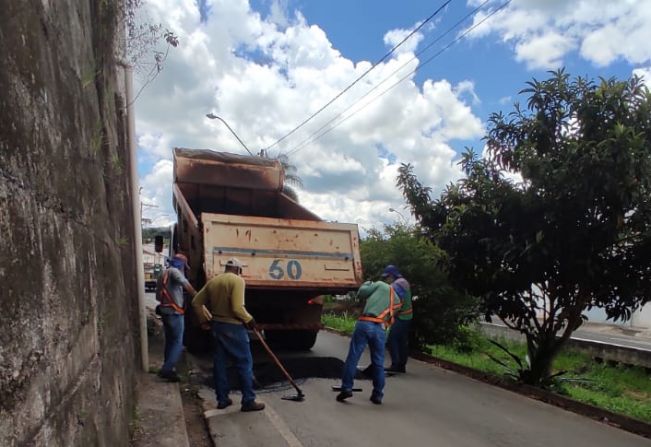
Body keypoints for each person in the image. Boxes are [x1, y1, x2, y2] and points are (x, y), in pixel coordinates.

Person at [191, 257, 265, 412]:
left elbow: (196, 302)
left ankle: (222, 399)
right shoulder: (238, 281)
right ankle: (248, 400)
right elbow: (237, 308)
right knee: (244, 362)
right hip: (234, 327)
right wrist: (250, 320)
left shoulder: (214, 281)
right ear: (238, 270)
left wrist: (205, 320)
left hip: (217, 326)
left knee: (220, 364)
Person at [336, 280, 401, 405]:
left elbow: (362, 293)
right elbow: (389, 319)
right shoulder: (397, 301)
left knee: (353, 357)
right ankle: (377, 395)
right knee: (378, 362)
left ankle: (347, 388)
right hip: (380, 329)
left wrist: (367, 283)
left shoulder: (381, 285)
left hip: (366, 323)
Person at [156, 253, 197, 382]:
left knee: (170, 341)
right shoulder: (175, 272)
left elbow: (158, 296)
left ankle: (168, 366)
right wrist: (197, 296)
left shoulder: (163, 273)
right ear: (182, 265)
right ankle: (167, 369)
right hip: (175, 312)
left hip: (165, 311)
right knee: (178, 342)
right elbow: (186, 285)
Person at [382, 265, 413, 374]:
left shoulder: (397, 284)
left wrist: (389, 315)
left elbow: (397, 302)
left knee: (391, 339)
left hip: (401, 316)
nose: (386, 280)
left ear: (392, 275)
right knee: (401, 341)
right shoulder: (403, 282)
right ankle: (401, 365)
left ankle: (395, 364)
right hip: (407, 316)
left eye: (387, 277)